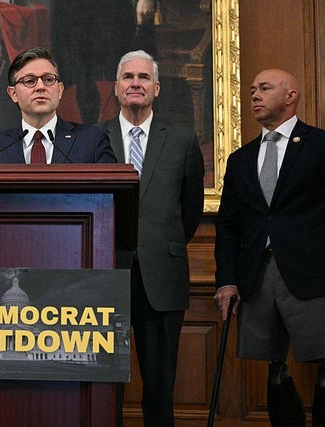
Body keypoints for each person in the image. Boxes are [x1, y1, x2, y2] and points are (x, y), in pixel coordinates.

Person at [214, 69, 325, 426]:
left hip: (314, 277)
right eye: (253, 90)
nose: (255, 95)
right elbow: (228, 226)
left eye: (265, 89)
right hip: (258, 278)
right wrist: (226, 280)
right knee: (274, 369)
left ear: (291, 97)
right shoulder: (240, 159)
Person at [101, 50, 204, 426]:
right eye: (128, 77)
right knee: (103, 383)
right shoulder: (96, 140)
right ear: (116, 87)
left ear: (156, 88)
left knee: (160, 387)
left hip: (162, 276)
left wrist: (159, 242)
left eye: (144, 78)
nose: (135, 84)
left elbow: (189, 212)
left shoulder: (182, 140)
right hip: (107, 273)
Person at [0, 47, 117, 164]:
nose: (40, 87)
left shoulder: (92, 142)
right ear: (13, 94)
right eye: (29, 81)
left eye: (48, 79)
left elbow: (111, 198)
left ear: (59, 90)